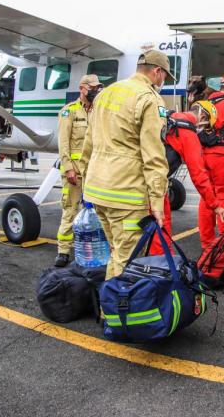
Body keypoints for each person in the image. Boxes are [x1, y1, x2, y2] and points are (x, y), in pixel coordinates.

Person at [79, 50, 171, 279]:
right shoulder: (148, 99)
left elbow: (88, 145)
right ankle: (116, 312)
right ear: (156, 71)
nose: (164, 81)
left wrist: (84, 181)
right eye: (164, 76)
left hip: (97, 190)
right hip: (125, 195)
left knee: (116, 251)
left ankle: (108, 307)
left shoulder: (106, 93)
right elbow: (154, 156)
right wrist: (157, 202)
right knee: (127, 260)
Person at [150, 105, 224, 254]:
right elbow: (199, 175)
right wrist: (215, 205)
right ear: (202, 118)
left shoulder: (168, 118)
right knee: (161, 234)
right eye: (206, 125)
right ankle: (162, 269)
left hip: (132, 180)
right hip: (154, 188)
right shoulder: (187, 133)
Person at [53, 74, 103, 267]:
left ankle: (89, 247)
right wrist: (68, 169)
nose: (96, 91)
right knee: (71, 210)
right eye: (93, 88)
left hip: (94, 171)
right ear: (83, 88)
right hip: (75, 171)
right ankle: (63, 250)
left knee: (95, 211)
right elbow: (63, 143)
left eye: (98, 88)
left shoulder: (97, 111)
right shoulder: (69, 112)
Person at [197, 73, 224, 250]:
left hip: (204, 155)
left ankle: (207, 243)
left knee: (207, 197)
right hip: (222, 157)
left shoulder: (206, 105)